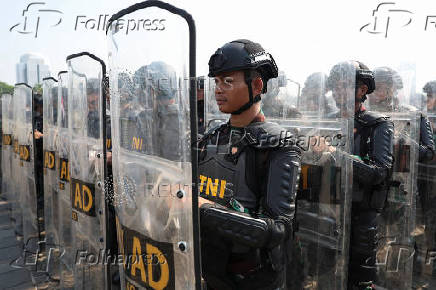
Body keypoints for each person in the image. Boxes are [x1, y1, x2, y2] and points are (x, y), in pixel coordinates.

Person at [197, 39, 301, 289]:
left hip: (252, 279)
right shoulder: (211, 138)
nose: (219, 90)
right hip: (209, 272)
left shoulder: (278, 144)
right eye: (217, 82)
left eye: (229, 81)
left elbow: (277, 229)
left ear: (256, 85)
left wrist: (203, 208)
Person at [327, 61, 394, 290]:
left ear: (362, 90)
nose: (338, 92)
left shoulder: (378, 125)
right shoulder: (327, 121)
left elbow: (379, 172)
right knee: (326, 275)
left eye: (344, 86)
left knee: (361, 281)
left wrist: (335, 154)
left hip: (361, 216)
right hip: (328, 213)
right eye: (335, 87)